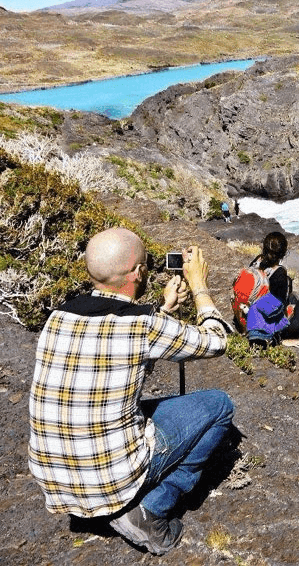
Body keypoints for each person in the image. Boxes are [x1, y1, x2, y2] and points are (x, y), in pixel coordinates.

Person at [28, 227, 234, 556]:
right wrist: (199, 286)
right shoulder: (142, 325)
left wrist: (163, 310)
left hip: (55, 481)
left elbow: (120, 357)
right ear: (138, 272)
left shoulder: (58, 317)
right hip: (111, 482)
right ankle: (151, 510)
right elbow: (217, 340)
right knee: (220, 405)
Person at [245, 231, 299, 346]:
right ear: (284, 253)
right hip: (286, 328)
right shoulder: (279, 273)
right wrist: (280, 340)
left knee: (293, 297)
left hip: (252, 318)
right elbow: (275, 310)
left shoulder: (256, 262)